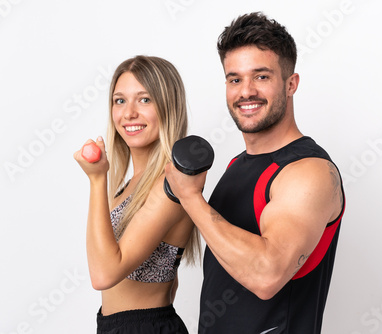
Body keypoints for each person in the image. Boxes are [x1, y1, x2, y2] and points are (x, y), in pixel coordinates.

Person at [165, 12, 345, 334]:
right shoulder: (238, 165)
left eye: (261, 77)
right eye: (235, 79)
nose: (245, 91)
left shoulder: (309, 172)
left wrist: (191, 197)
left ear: (291, 84)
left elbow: (267, 275)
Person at [74, 55, 199, 334]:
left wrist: (97, 180)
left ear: (168, 107)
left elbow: (103, 274)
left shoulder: (170, 184)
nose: (128, 113)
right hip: (117, 325)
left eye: (144, 99)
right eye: (120, 100)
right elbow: (169, 277)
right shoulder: (130, 185)